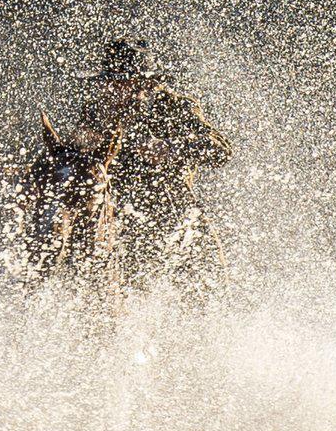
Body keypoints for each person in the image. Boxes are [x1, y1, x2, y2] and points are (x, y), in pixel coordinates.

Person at [66, 37, 231, 280]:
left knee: (207, 276)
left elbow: (220, 150)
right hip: (111, 215)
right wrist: (76, 146)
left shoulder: (174, 108)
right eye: (110, 83)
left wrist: (170, 148)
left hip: (171, 211)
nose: (114, 90)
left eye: (123, 83)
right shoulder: (95, 111)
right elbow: (70, 157)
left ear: (146, 85)